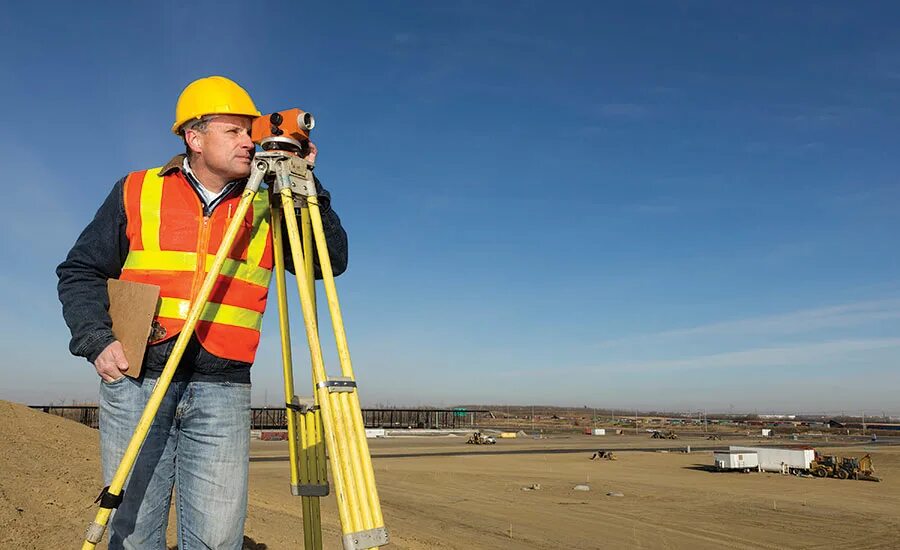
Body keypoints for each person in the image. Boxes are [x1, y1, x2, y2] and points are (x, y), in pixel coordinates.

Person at [57, 76, 348, 549]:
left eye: (249, 132)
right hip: (136, 379)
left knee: (217, 539)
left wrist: (307, 185)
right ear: (194, 137)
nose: (248, 141)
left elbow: (328, 262)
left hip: (222, 388)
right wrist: (95, 339)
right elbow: (79, 270)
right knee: (133, 532)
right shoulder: (137, 189)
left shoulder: (269, 200)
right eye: (233, 131)